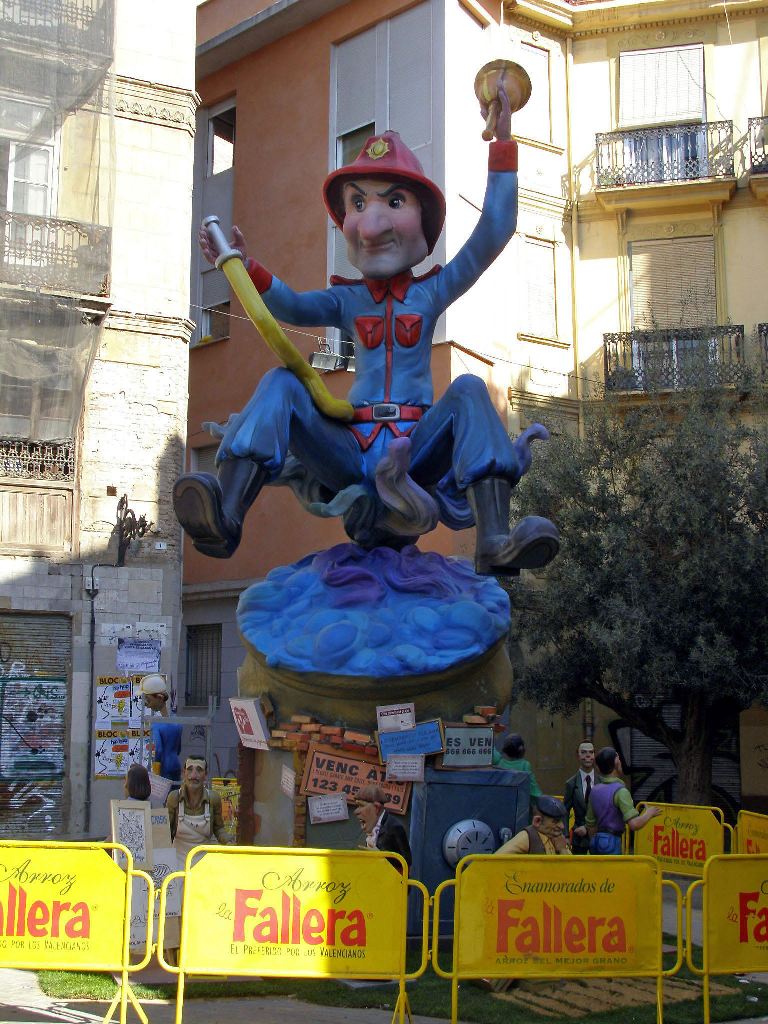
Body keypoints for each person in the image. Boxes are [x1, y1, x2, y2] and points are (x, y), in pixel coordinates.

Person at [174, 81, 559, 577]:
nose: (370, 224)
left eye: (392, 203)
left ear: (423, 218)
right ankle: (226, 517)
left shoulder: (431, 292)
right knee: (281, 382)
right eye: (357, 206)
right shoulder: (347, 300)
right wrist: (245, 268)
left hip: (417, 445)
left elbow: (494, 230)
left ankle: (495, 540)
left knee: (467, 389)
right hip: (350, 449)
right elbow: (289, 305)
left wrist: (502, 144)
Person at [586, 746, 661, 855]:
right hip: (612, 841)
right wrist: (648, 814)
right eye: (619, 760)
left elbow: (590, 824)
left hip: (596, 841)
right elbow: (634, 824)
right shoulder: (621, 792)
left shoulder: (594, 790)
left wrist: (596, 841)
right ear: (616, 762)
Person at [165, 755, 234, 867]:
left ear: (205, 775)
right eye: (190, 769)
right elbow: (167, 833)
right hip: (177, 861)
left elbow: (219, 828)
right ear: (184, 773)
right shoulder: (174, 798)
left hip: (203, 862)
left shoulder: (213, 799)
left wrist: (228, 841)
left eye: (199, 770)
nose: (194, 775)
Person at [353, 784, 411, 871]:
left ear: (376, 808)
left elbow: (407, 860)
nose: (356, 811)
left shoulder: (394, 827)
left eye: (361, 806)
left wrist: (381, 855)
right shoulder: (373, 825)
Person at [140, 674, 183, 783]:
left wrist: (156, 769)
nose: (147, 705)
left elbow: (158, 749)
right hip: (176, 763)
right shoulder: (177, 722)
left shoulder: (156, 724)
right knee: (176, 795)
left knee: (164, 797)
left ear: (159, 698)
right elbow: (178, 749)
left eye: (148, 700)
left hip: (164, 766)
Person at [495, 795, 570, 855]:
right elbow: (497, 861)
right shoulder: (527, 837)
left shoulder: (559, 839)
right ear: (537, 821)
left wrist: (562, 850)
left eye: (561, 821)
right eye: (555, 821)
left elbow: (571, 869)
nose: (562, 826)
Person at [563, 740, 596, 855]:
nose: (588, 755)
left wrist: (587, 828)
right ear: (578, 755)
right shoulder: (571, 784)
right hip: (578, 839)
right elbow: (565, 811)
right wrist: (566, 836)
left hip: (598, 836)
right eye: (584, 752)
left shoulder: (602, 782)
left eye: (591, 752)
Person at [492, 733, 542, 799]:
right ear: (521, 749)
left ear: (506, 750)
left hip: (502, 801)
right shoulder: (525, 765)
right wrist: (541, 798)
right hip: (520, 804)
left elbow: (490, 749)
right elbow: (533, 789)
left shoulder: (499, 762)